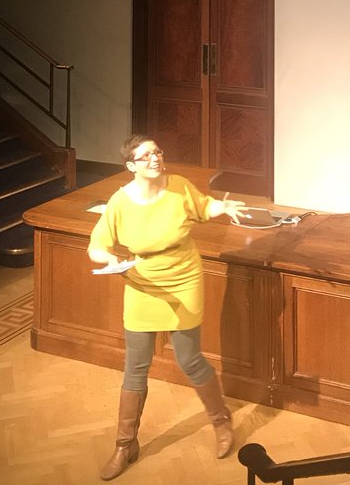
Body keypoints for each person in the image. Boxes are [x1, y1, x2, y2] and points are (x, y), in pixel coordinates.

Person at [88, 135, 250, 479]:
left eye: (158, 151)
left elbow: (204, 207)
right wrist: (110, 259)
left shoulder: (178, 186)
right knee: (135, 366)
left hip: (183, 277)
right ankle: (124, 445)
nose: (155, 158)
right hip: (142, 282)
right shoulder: (120, 201)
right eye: (146, 155)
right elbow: (97, 246)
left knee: (189, 359)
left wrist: (223, 208)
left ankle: (222, 422)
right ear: (131, 166)